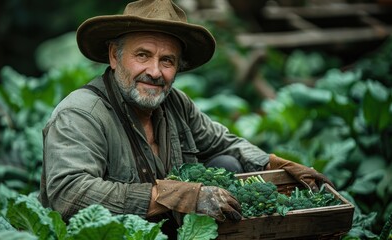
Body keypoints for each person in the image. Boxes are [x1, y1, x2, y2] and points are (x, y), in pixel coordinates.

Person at [39, 0, 333, 238]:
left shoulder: (175, 104)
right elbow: (69, 194)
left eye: (167, 60)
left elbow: (224, 143)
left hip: (170, 231)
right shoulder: (81, 113)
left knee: (228, 164)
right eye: (142, 55)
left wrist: (273, 164)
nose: (155, 71)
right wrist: (171, 194)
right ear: (114, 57)